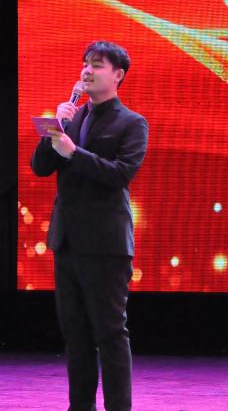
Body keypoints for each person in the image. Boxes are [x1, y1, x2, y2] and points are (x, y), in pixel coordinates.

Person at [31, 40, 149, 411]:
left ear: (118, 75)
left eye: (97, 65)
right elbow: (39, 167)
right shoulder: (72, 116)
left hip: (106, 244)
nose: (87, 71)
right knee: (76, 335)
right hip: (66, 240)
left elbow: (120, 174)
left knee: (110, 334)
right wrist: (57, 127)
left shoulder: (132, 123)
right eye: (85, 64)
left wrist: (74, 152)